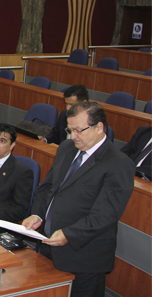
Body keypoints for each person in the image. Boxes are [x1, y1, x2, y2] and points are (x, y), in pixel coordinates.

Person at [22, 101, 134, 297]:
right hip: (48, 246)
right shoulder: (66, 148)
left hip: (84, 257)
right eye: (69, 130)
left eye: (78, 130)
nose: (73, 136)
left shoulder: (119, 163)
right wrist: (38, 214)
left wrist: (68, 234)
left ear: (99, 127)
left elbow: (105, 215)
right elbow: (48, 187)